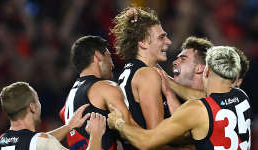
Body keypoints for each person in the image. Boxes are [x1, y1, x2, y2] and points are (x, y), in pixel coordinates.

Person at [108, 46, 252, 150]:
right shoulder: (241, 97)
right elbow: (211, 97)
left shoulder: (196, 109)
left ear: (206, 71)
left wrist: (119, 123)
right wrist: (169, 83)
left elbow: (146, 142)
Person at [59, 35, 137, 150]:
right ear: (98, 56)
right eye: (109, 57)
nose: (113, 64)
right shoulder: (105, 87)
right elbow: (131, 131)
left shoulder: (71, 95)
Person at [110, 7, 172, 149]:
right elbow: (156, 138)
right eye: (161, 37)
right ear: (142, 42)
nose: (168, 42)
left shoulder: (128, 72)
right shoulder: (147, 75)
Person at [0, 82, 107, 150]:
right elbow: (41, 143)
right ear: (32, 107)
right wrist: (96, 134)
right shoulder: (43, 142)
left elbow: (33, 142)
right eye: (38, 100)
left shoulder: (1, 142)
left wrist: (69, 126)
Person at [160, 36, 213, 114]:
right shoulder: (164, 95)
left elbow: (207, 100)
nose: (174, 62)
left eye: (183, 59)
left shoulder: (221, 102)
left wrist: (167, 81)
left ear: (199, 68)